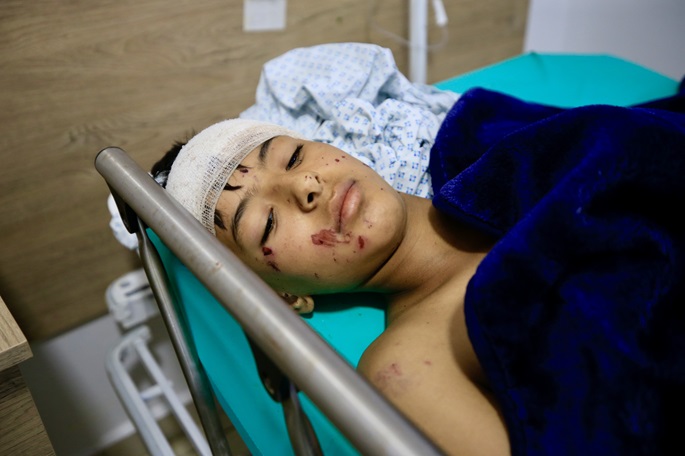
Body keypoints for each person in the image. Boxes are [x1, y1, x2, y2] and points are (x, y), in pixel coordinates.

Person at [152, 85, 685, 456]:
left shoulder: (491, 150)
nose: (304, 186)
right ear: (283, 297)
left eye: (292, 157)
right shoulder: (406, 367)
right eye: (265, 223)